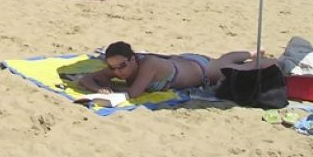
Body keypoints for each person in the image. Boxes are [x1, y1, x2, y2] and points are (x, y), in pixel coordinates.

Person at [75, 41, 262, 98]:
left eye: (122, 65)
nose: (118, 71)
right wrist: (98, 89)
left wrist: (109, 88)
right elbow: (85, 79)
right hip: (181, 61)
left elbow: (133, 93)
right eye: (112, 67)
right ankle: (252, 51)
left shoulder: (148, 65)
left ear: (133, 59)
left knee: (225, 66)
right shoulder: (118, 69)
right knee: (223, 60)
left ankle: (255, 55)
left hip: (200, 69)